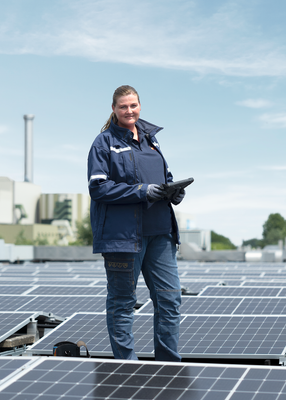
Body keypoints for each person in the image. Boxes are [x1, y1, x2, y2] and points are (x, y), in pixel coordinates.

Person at [87, 85, 185, 361]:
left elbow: (163, 177)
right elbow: (98, 189)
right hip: (124, 238)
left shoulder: (151, 140)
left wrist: (173, 191)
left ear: (140, 106)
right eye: (123, 106)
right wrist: (141, 191)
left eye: (133, 105)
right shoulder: (103, 143)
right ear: (114, 109)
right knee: (123, 303)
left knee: (169, 301)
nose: (129, 111)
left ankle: (168, 365)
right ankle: (127, 369)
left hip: (161, 235)